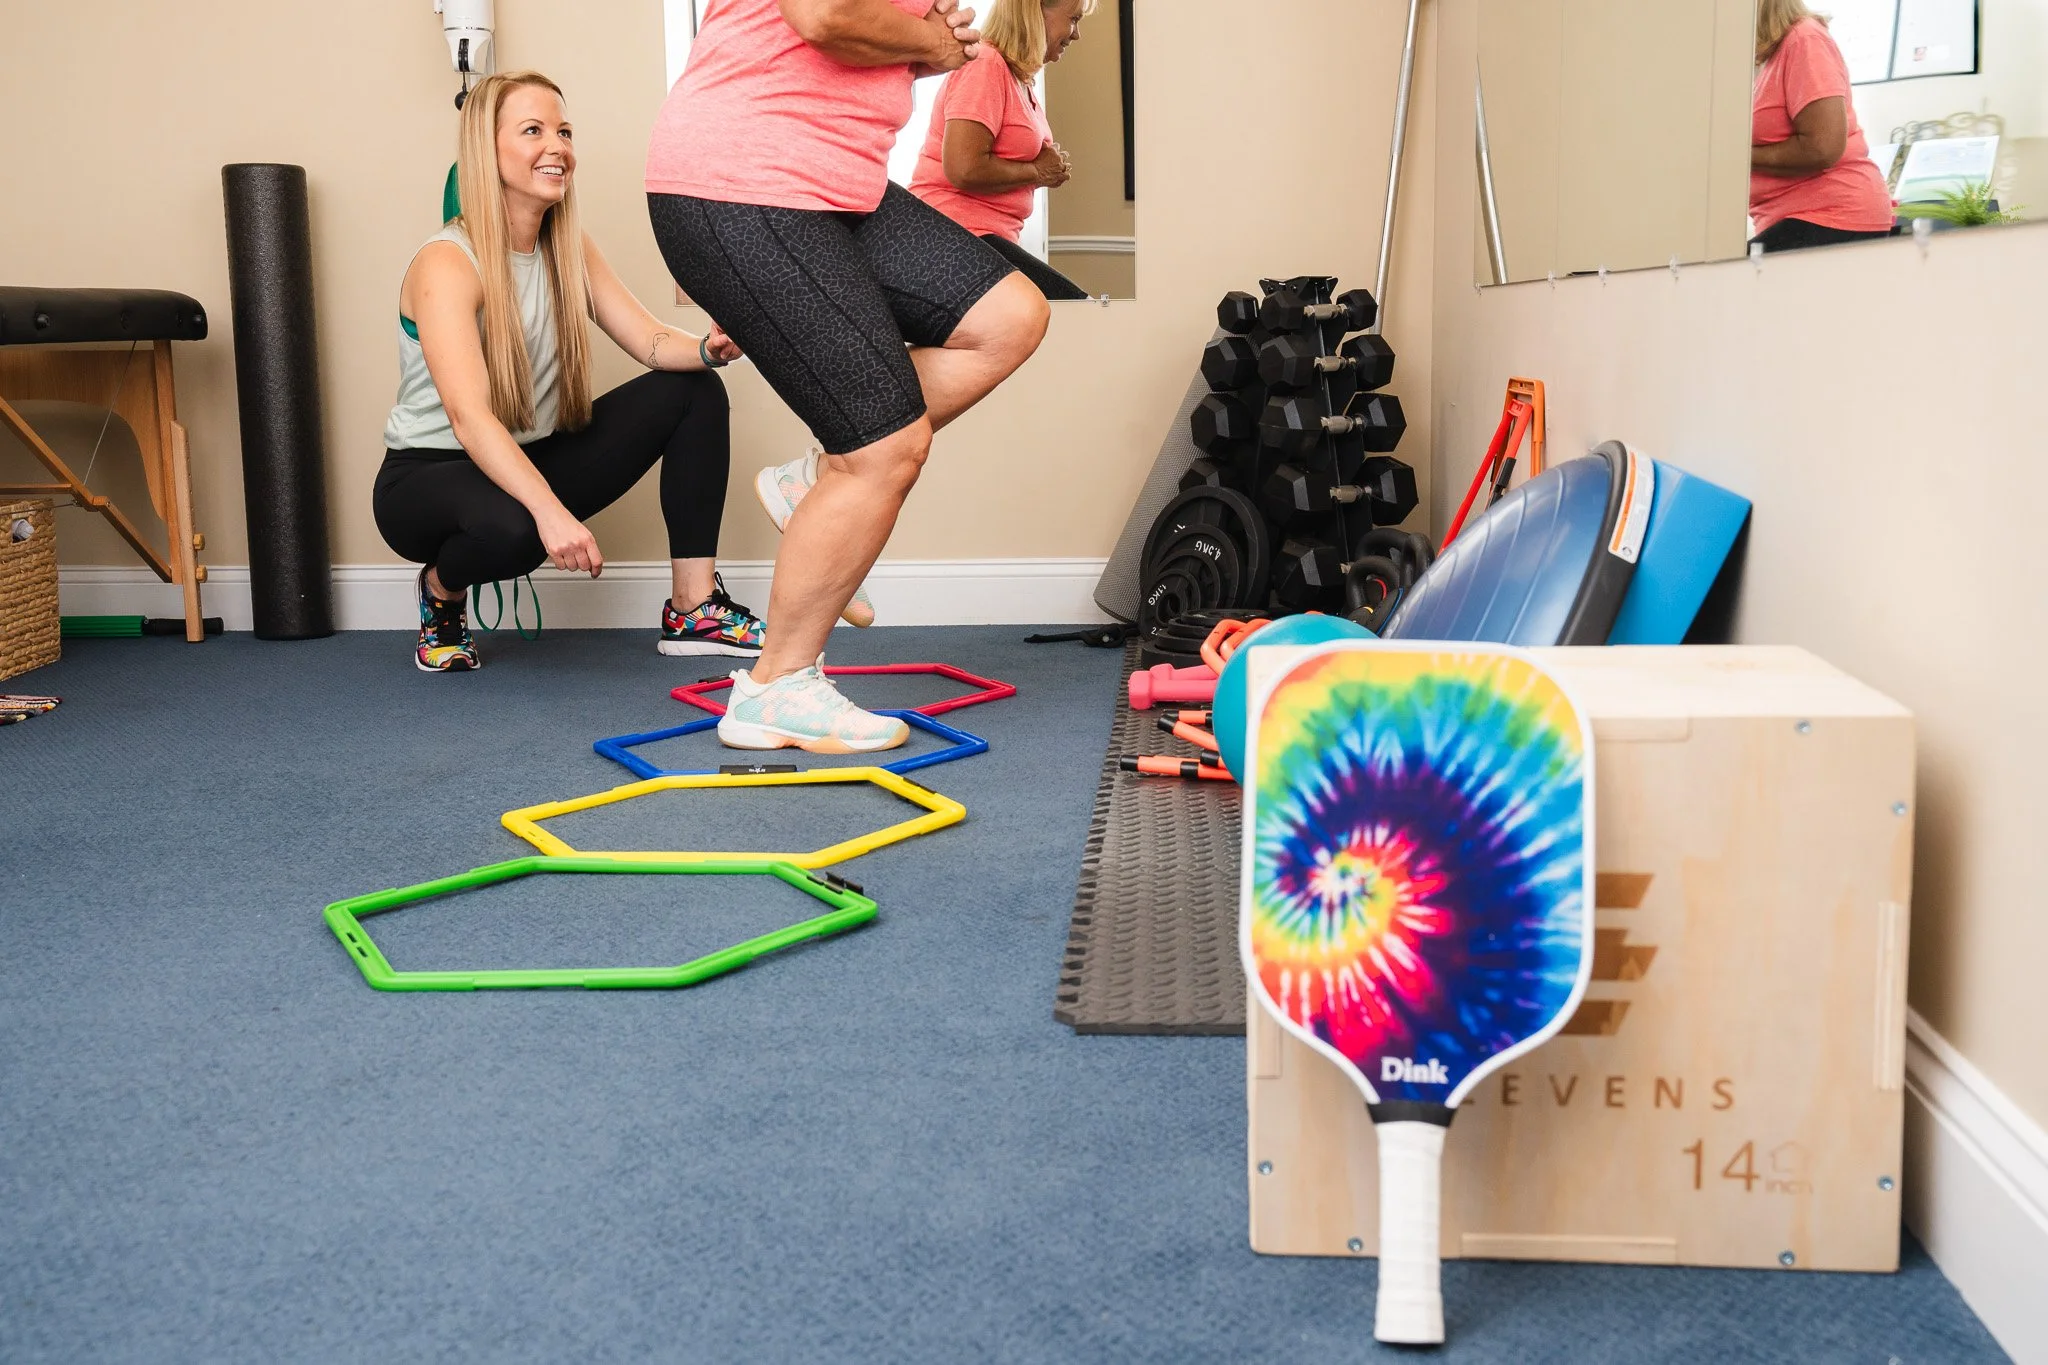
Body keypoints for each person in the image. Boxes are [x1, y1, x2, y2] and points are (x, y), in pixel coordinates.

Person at [646, 0, 1052, 755]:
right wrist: (928, 36)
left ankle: (816, 476)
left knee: (1008, 317)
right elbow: (827, 15)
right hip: (743, 178)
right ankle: (776, 687)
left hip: (839, 182)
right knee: (886, 448)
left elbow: (907, 47)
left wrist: (928, 45)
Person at [375, 71, 762, 672]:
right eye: (533, 130)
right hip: (427, 474)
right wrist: (551, 513)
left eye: (564, 131)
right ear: (487, 147)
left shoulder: (567, 247)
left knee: (694, 393)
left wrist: (709, 349)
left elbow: (650, 341)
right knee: (516, 528)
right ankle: (441, 593)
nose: (558, 147)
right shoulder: (447, 263)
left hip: (530, 453)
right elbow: (468, 417)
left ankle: (694, 607)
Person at [907, 0, 1096, 301]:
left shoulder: (1019, 79)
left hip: (988, 239)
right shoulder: (985, 64)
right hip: (954, 238)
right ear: (1035, 13)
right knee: (1079, 308)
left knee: (1069, 313)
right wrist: (1036, 171)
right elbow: (962, 168)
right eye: (1073, 19)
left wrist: (1043, 169)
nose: (1076, 34)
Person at [1750, 0, 1895, 253]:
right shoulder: (1767, 54)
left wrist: (1738, 155)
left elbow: (1822, 148)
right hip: (1791, 217)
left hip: (1832, 214)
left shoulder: (1804, 39)